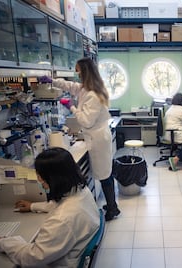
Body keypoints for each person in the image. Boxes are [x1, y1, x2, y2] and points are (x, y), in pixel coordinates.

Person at [0, 148, 100, 267]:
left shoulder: (62, 220)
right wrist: (32, 206)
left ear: (54, 179)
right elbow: (60, 204)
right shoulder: (81, 190)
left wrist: (2, 243)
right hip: (72, 252)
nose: (40, 181)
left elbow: (32, 258)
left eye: (42, 178)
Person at [50, 57, 120, 221]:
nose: (76, 74)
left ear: (85, 72)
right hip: (97, 136)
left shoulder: (93, 95)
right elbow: (71, 87)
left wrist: (71, 107)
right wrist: (53, 81)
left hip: (97, 139)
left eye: (78, 70)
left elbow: (86, 121)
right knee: (106, 173)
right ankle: (113, 206)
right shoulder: (88, 88)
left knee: (104, 175)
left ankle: (112, 209)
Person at [164, 93, 182, 171]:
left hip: (169, 133)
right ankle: (176, 159)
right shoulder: (181, 110)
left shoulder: (171, 108)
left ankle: (180, 156)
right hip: (175, 133)